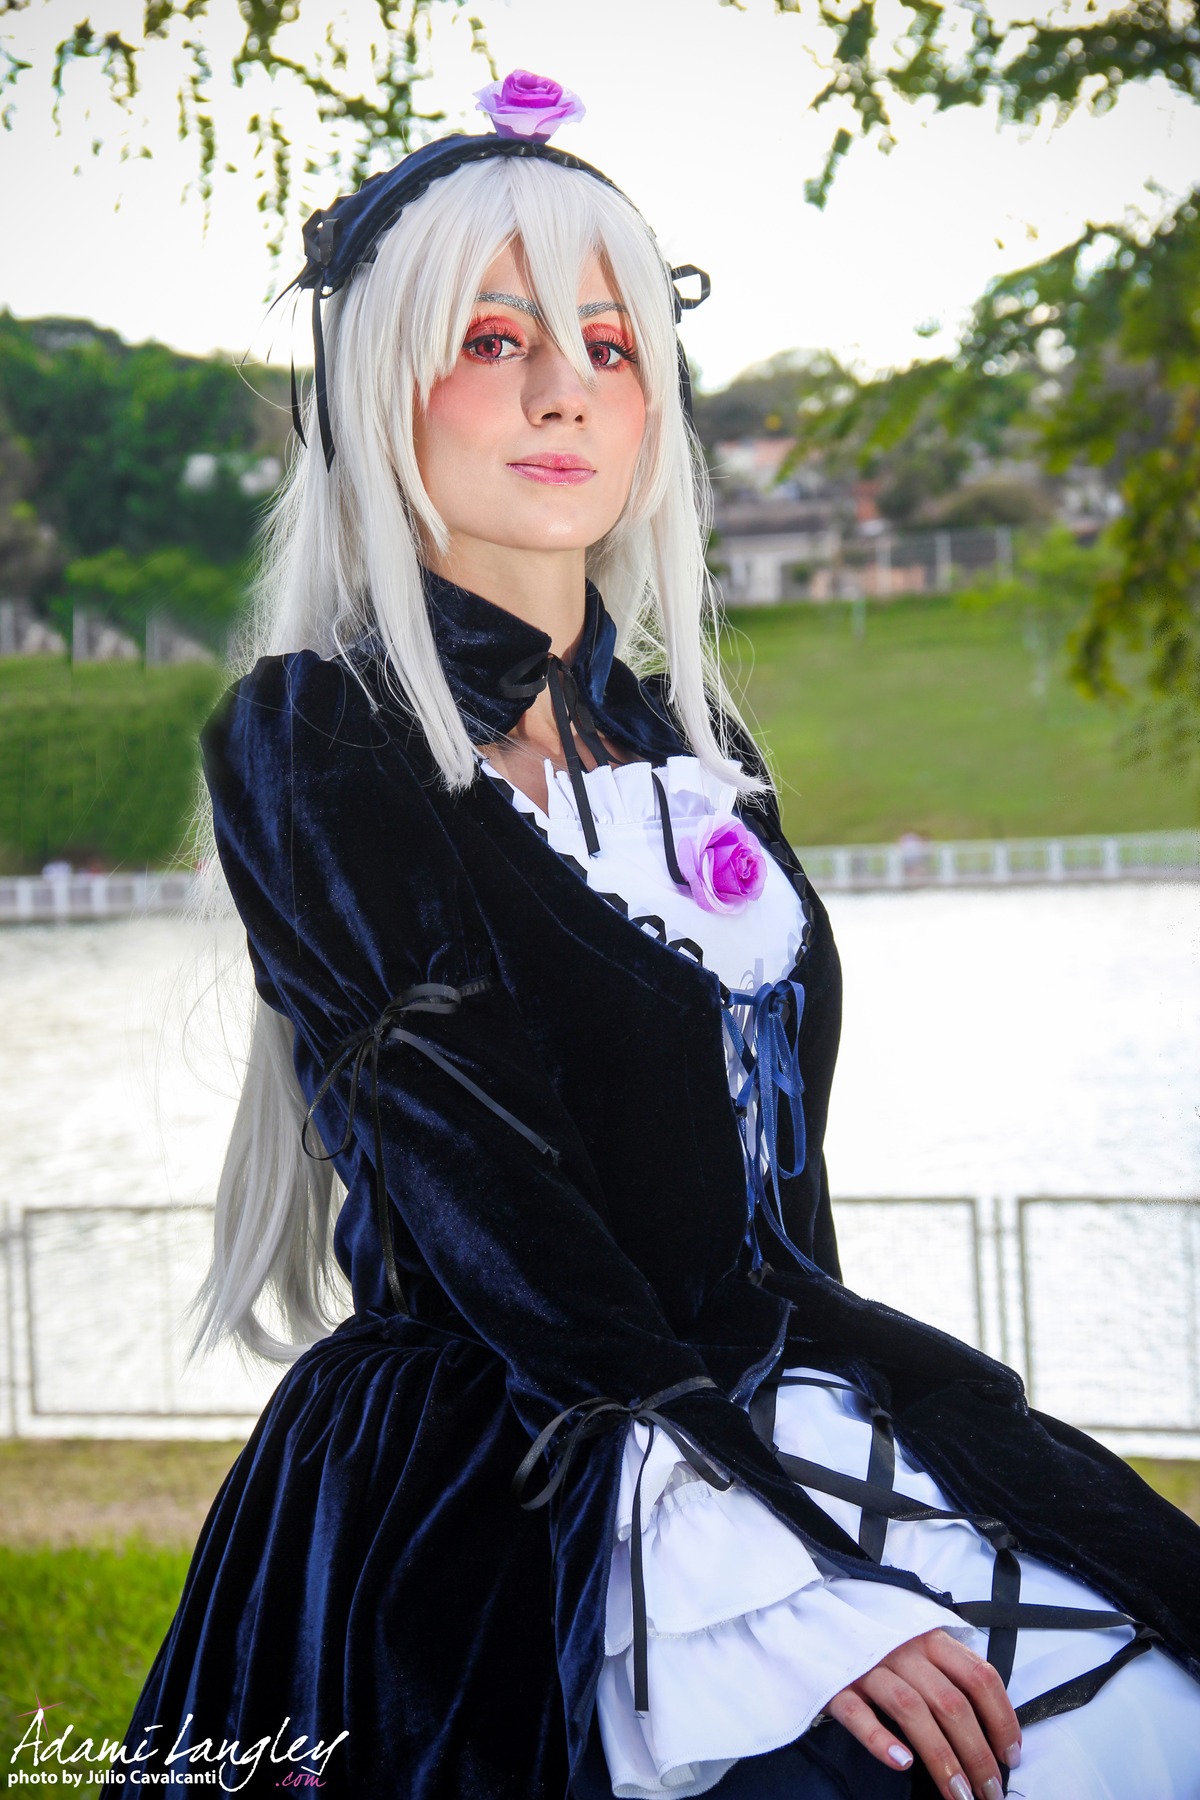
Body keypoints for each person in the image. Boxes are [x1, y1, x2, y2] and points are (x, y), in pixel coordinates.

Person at [124, 73, 1200, 1800]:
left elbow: (782, 1202)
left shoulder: (699, 753)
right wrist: (785, 1582)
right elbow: (494, 1200)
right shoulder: (316, 737)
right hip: (516, 1468)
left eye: (612, 348)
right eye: (493, 340)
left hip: (800, 1398)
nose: (563, 392)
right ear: (371, 384)